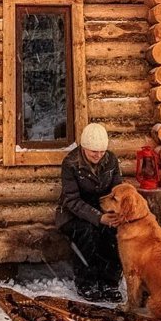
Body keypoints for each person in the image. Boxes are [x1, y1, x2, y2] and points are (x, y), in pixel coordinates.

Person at [55, 122, 123, 302]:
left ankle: (110, 282)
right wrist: (99, 218)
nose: (98, 155)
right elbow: (72, 200)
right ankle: (87, 282)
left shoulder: (111, 160)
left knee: (114, 233)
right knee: (87, 231)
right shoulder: (70, 163)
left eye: (102, 151)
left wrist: (115, 215)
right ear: (84, 147)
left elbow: (117, 190)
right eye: (94, 151)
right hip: (73, 214)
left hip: (103, 210)